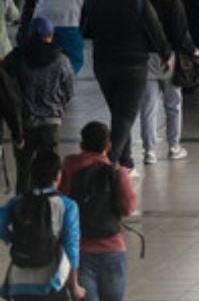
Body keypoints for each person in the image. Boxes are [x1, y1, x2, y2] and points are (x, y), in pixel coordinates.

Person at [79, 0, 172, 172]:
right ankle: (109, 164)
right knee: (126, 114)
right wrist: (165, 54)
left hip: (103, 63)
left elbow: (85, 30)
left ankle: (126, 162)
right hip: (134, 63)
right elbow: (155, 29)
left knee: (118, 112)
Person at [59, 121, 136, 301]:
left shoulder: (69, 167)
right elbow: (128, 208)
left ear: (81, 145)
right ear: (108, 146)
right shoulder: (117, 172)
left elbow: (61, 201)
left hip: (80, 251)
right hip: (113, 250)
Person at [0, 149, 84, 301]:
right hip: (53, 281)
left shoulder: (18, 201)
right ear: (58, 175)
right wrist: (75, 284)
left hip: (19, 281)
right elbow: (71, 244)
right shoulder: (67, 205)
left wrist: (13, 239)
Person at [138, 0, 199, 164]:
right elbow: (181, 33)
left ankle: (149, 150)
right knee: (174, 104)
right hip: (170, 58)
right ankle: (174, 146)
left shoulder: (141, 1)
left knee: (148, 107)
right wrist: (193, 50)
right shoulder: (174, 1)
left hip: (147, 58)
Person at [6, 19, 73, 194]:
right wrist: (59, 106)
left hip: (24, 123)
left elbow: (6, 89)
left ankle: (22, 209)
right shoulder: (61, 59)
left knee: (24, 170)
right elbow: (69, 91)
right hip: (51, 123)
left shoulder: (18, 57)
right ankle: (47, 208)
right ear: (49, 35)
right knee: (49, 171)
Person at [29, 0, 101, 75]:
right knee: (73, 60)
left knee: (44, 59)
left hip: (45, 21)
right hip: (70, 20)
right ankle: (63, 85)